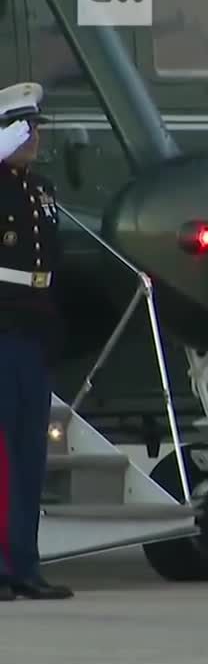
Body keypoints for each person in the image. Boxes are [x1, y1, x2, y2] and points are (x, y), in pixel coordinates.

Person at [0, 82, 73, 601]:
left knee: (30, 458)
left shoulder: (41, 189)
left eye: (36, 126)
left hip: (34, 328)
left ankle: (25, 563)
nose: (34, 136)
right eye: (23, 127)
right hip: (1, 326)